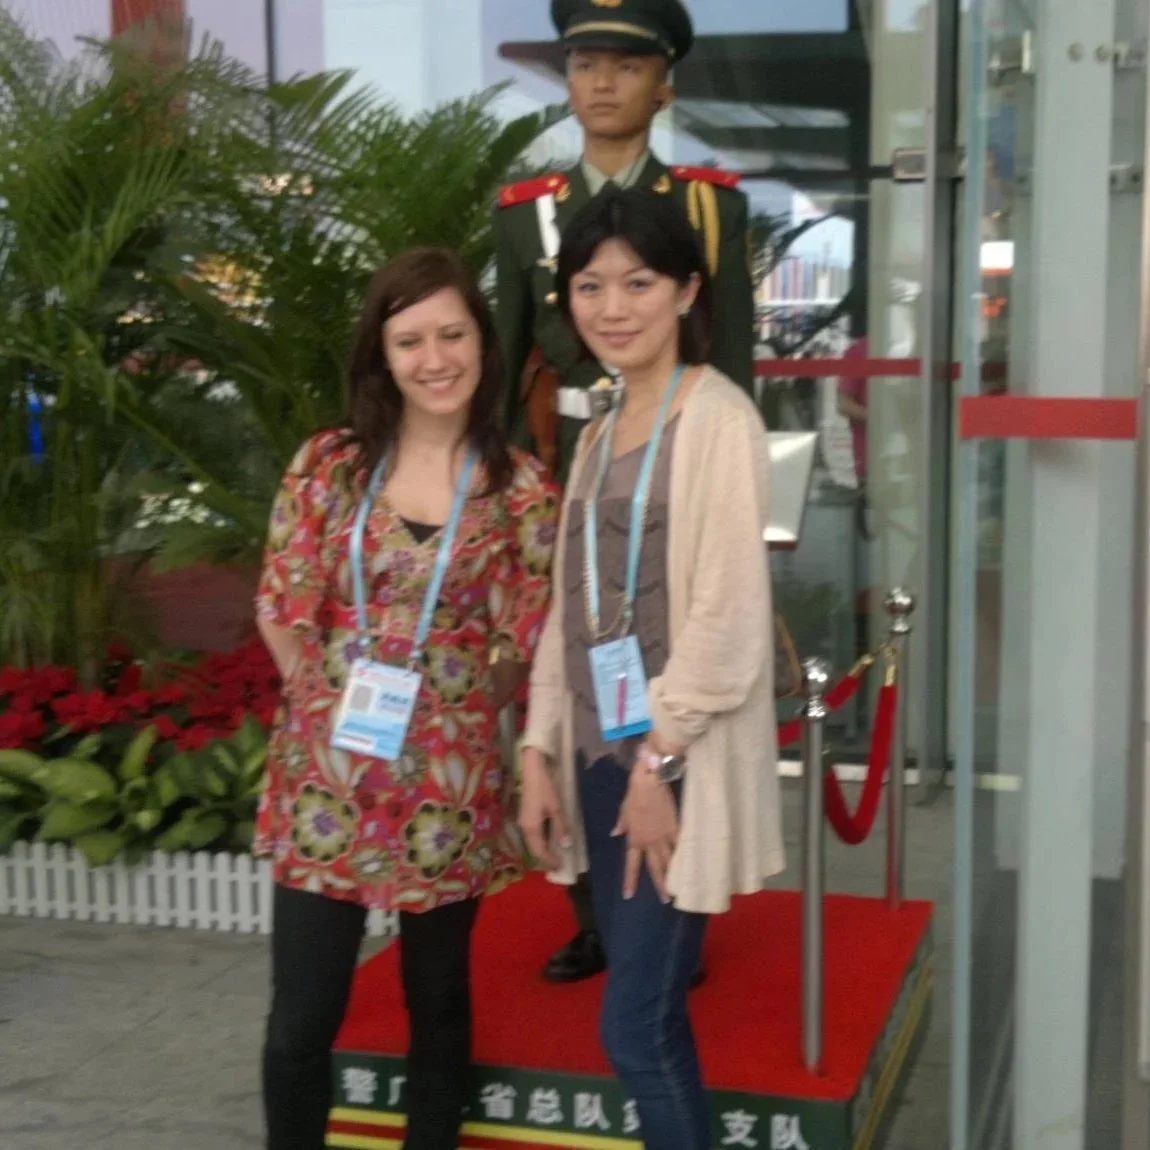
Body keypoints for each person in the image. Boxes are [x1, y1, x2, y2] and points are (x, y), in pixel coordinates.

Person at [254, 248, 559, 1150]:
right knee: (301, 1018)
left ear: (482, 343)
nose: (435, 359)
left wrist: (469, 688)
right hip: (327, 781)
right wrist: (333, 696)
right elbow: (280, 602)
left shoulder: (521, 490)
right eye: (410, 339)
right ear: (381, 356)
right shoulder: (331, 464)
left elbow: (530, 638)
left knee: (439, 1004)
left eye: (452, 335)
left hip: (450, 790)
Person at [495, 0, 756, 984]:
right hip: (569, 474)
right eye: (583, 62)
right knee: (572, 688)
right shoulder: (524, 210)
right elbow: (508, 355)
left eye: (625, 64)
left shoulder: (704, 207)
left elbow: (733, 360)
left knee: (662, 672)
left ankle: (670, 902)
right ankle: (593, 908)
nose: (601, 81)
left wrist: (750, 517)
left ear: (663, 83)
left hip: (676, 474)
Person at [518, 186, 783, 1150]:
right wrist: (537, 748)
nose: (613, 306)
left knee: (636, 1023)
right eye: (590, 285)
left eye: (638, 281)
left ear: (686, 290)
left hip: (669, 766)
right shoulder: (596, 430)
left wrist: (661, 763)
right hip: (598, 758)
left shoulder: (717, 419)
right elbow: (570, 608)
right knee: (648, 1020)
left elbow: (727, 621)